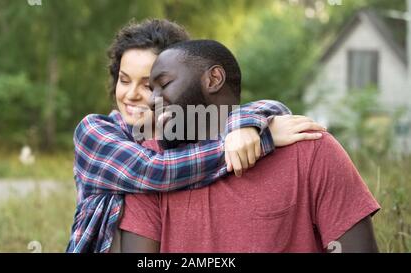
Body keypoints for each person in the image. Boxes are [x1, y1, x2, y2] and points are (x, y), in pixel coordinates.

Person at [67, 20, 325, 253]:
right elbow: (154, 171)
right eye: (124, 80)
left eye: (147, 85)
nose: (131, 94)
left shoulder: (188, 134)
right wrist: (260, 139)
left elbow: (263, 108)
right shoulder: (94, 132)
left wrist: (245, 126)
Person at [119, 40, 381, 253]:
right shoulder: (148, 169)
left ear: (213, 79)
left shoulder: (311, 149)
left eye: (163, 85)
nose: (152, 101)